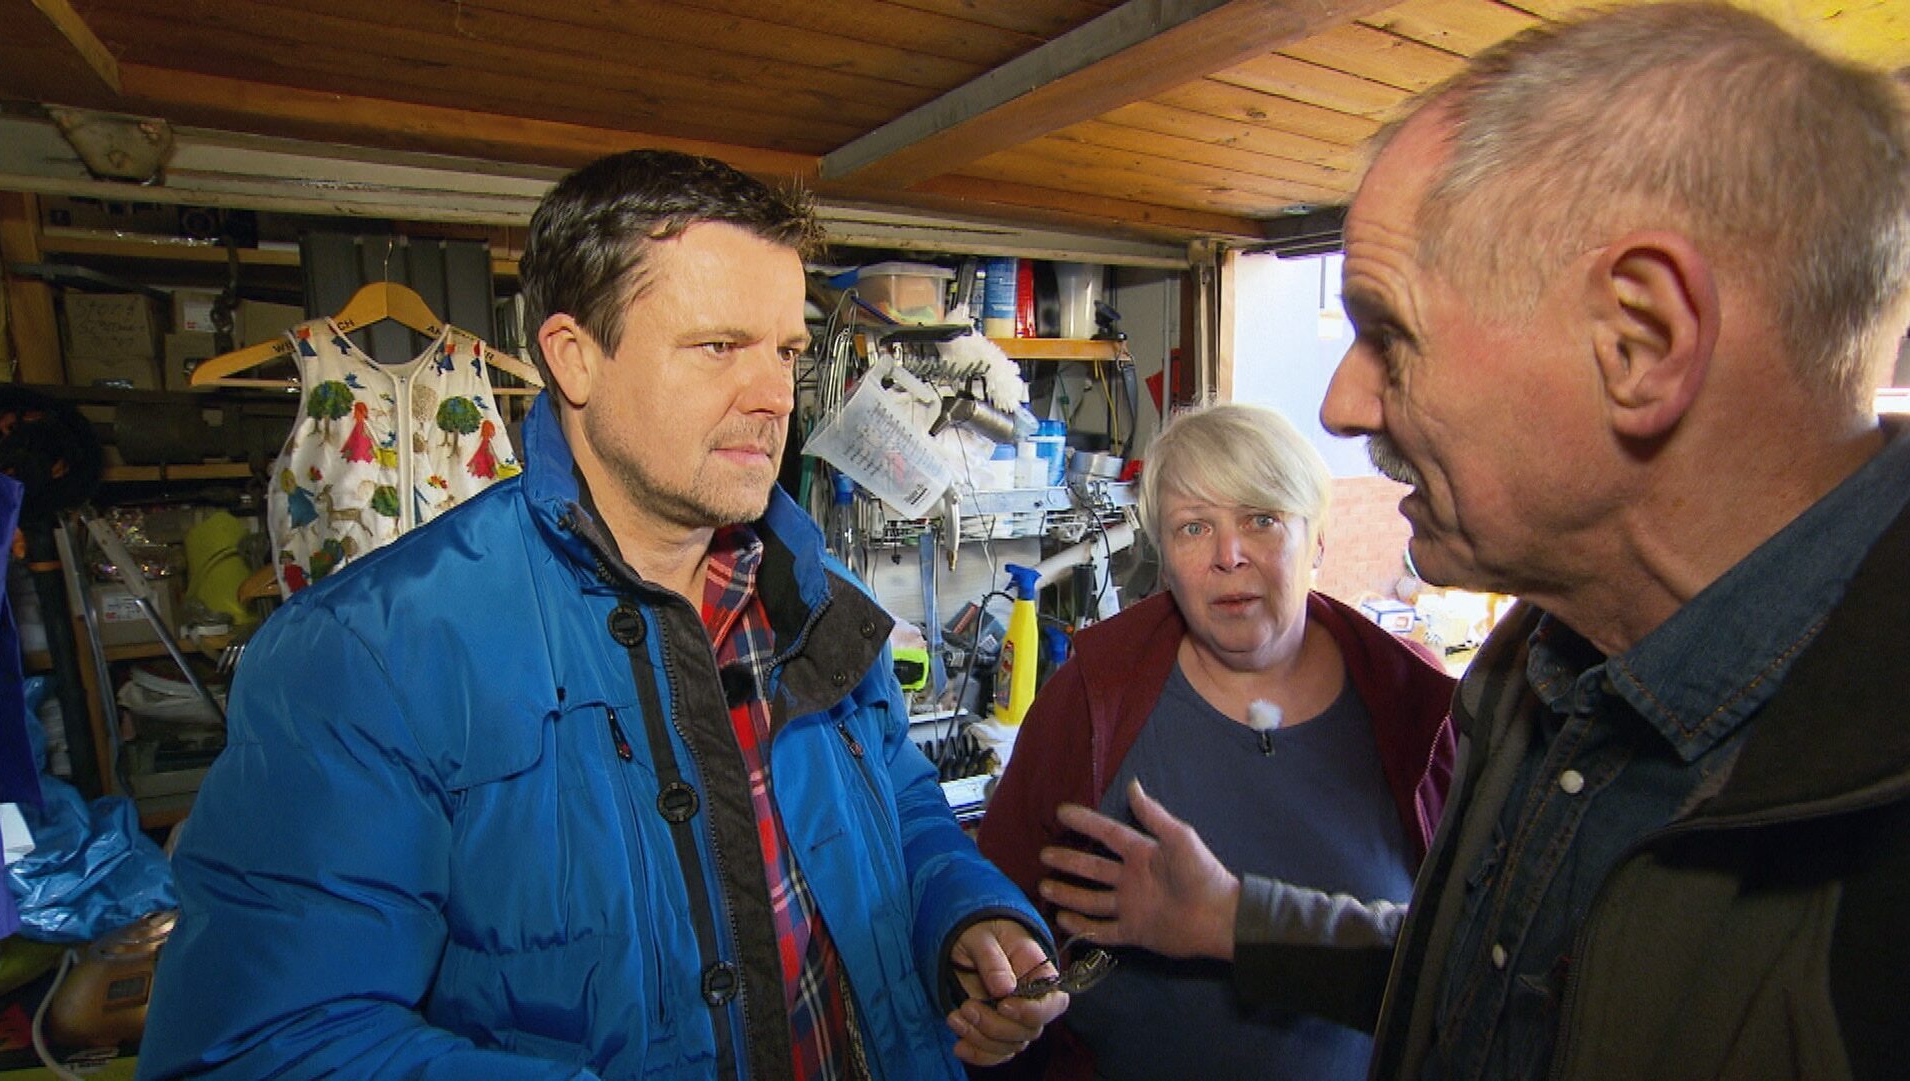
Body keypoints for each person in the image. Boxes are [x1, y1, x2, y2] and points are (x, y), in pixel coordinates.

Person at [1040, 4, 1910, 1079]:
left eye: (1390, 333)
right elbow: (1491, 986)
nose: (1341, 406)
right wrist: (1236, 920)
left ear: (1639, 340)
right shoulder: (1534, 672)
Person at [139, 149, 1068, 1080]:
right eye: (719, 346)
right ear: (574, 356)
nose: (774, 395)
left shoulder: (809, 591)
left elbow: (899, 804)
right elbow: (265, 1043)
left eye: (785, 351)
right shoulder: (368, 655)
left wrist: (964, 914)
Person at [977, 402, 1456, 1081]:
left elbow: (1464, 971)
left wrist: (1224, 918)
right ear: (1165, 561)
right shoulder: (1092, 697)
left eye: (1261, 519)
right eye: (1193, 527)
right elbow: (997, 896)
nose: (1228, 556)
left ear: (1318, 540)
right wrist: (1004, 980)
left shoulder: (1417, 706)